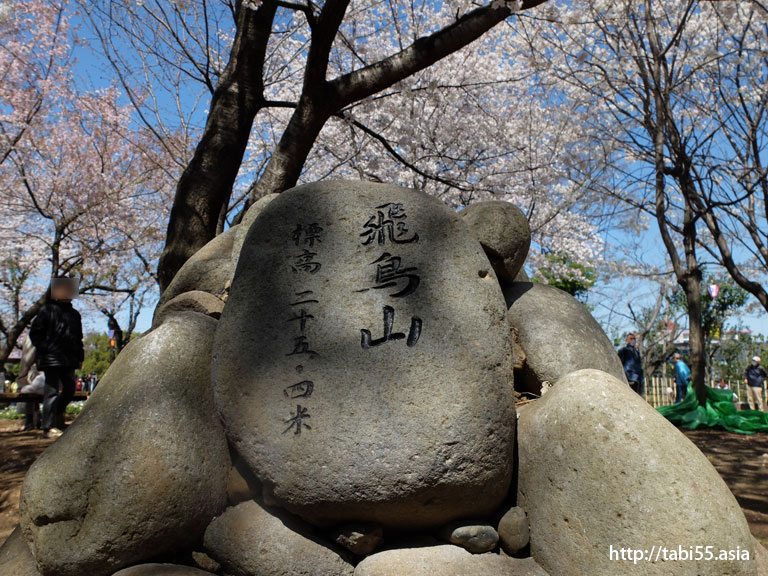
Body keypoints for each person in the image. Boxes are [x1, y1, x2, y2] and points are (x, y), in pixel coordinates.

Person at [29, 277, 84, 438]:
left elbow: (78, 337)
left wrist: (80, 356)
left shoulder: (75, 314)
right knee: (51, 391)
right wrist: (45, 349)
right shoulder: (47, 311)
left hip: (69, 358)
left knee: (70, 389)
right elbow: (35, 333)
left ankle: (50, 416)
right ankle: (48, 427)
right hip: (51, 358)